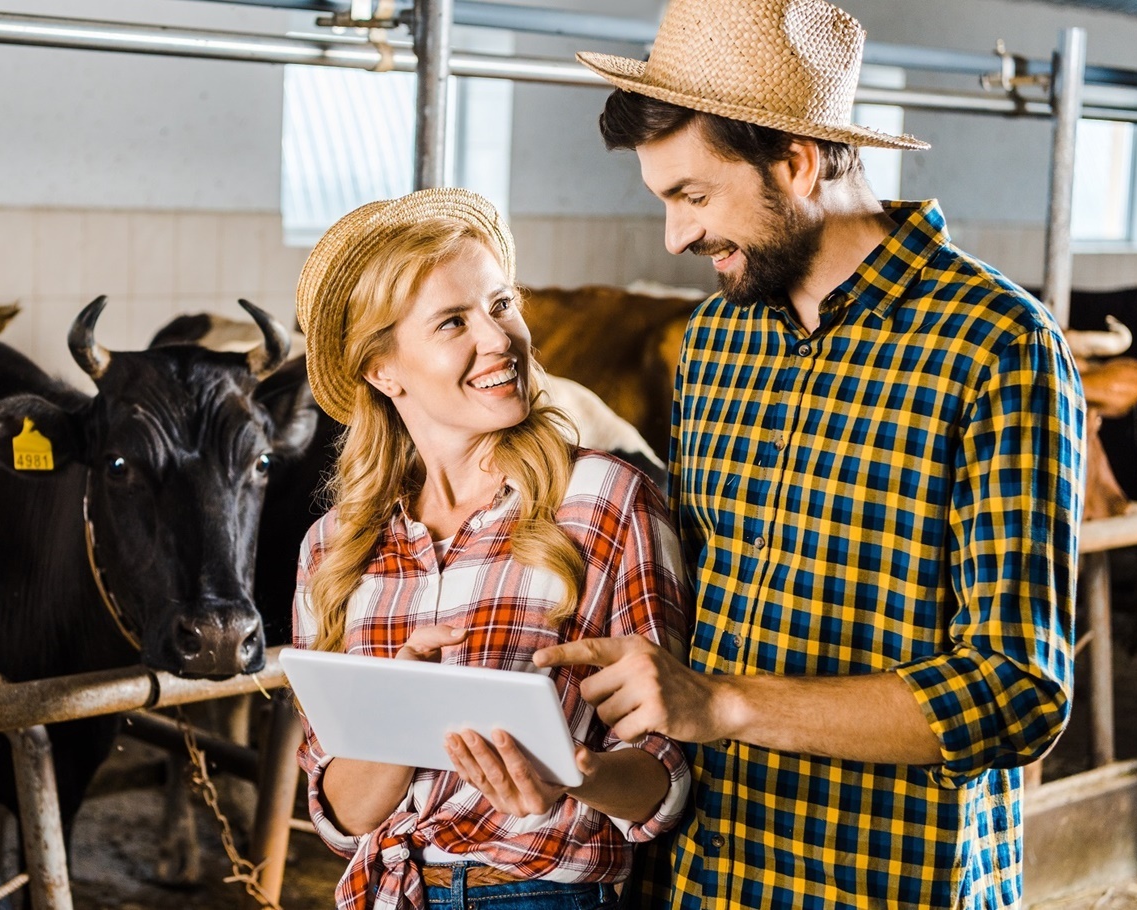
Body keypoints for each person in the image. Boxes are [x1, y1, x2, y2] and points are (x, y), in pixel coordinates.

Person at [533, 1, 1089, 908]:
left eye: (693, 196)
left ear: (794, 163)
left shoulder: (995, 345)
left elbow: (1017, 691)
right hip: (710, 874)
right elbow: (688, 617)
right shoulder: (714, 341)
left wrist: (721, 704)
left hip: (886, 880)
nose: (675, 237)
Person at [289, 187, 693, 910]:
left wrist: (574, 775)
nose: (500, 339)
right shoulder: (334, 550)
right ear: (383, 371)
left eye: (501, 305)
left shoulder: (604, 499)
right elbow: (343, 817)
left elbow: (663, 779)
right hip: (385, 893)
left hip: (540, 894)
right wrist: (396, 710)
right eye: (453, 322)